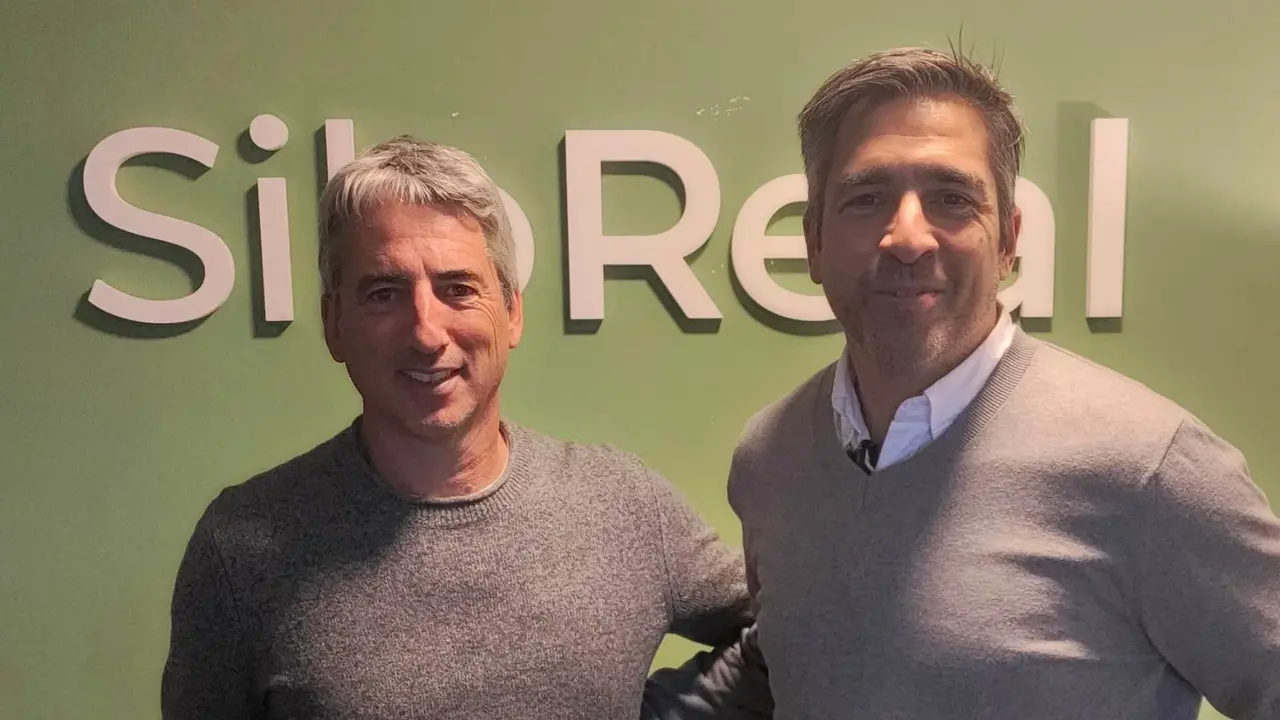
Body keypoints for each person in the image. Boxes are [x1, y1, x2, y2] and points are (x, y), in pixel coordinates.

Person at [651, 46, 1280, 719]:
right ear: (813, 242)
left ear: (1008, 240)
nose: (908, 238)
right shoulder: (770, 457)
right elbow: (789, 663)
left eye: (952, 199)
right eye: (866, 199)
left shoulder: (1149, 466)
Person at [160, 135, 753, 719]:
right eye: (384, 293)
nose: (426, 333)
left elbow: (784, 629)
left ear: (512, 312)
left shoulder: (623, 504)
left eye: (458, 289)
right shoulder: (241, 546)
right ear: (333, 323)